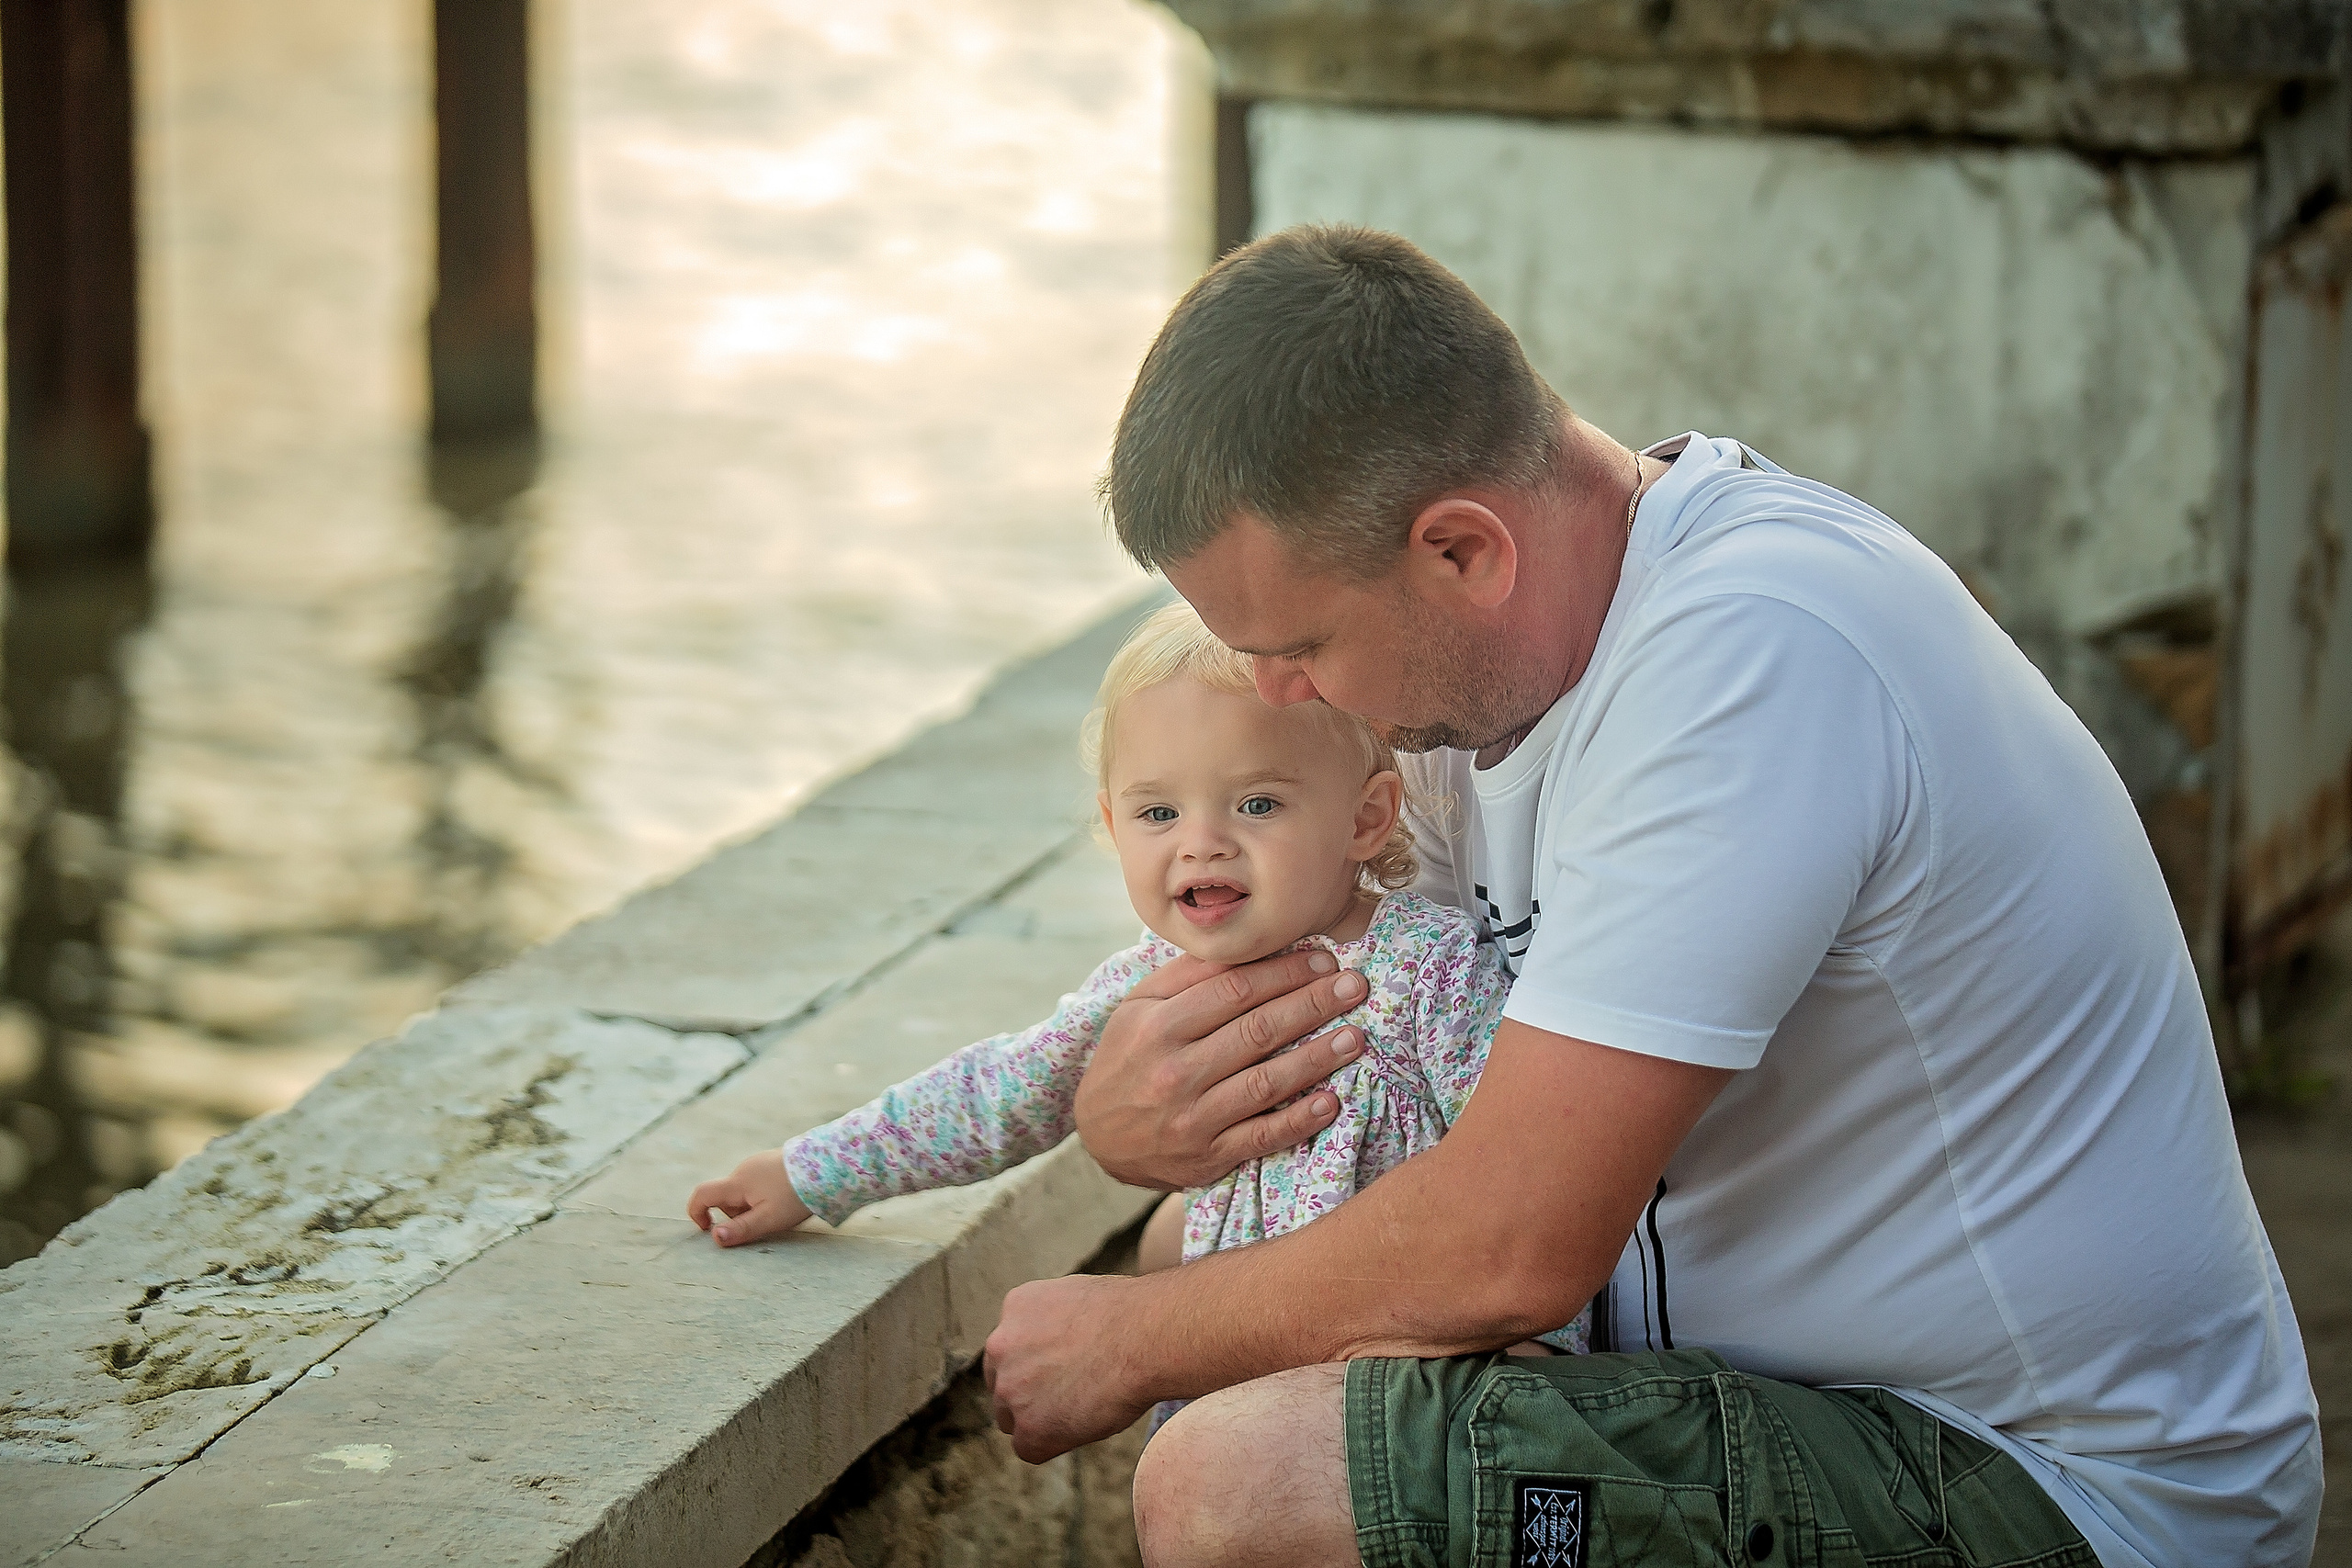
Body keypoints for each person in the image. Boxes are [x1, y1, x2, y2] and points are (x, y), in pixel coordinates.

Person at [978, 225, 2323, 1568]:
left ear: (1463, 552)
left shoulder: (1752, 658)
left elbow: (1509, 1246)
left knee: (1235, 1482)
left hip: (2050, 1481)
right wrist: (1137, 1098)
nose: (1276, 692)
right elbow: (1311, 1001)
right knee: (1185, 1245)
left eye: (1300, 644)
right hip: (1816, 1402)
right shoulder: (1489, 672)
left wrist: (1130, 1342)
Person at [687, 601, 1585, 1357]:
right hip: (1226, 1351)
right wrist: (809, 1174)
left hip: (1399, 1349)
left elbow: (1518, 1166)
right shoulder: (1152, 988)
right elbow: (1002, 1091)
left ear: (1364, 817)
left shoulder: (1426, 969)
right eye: (1159, 811)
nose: (1202, 841)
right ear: (1114, 827)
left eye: (1258, 803)